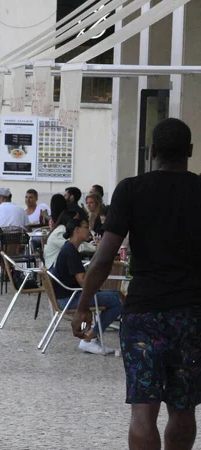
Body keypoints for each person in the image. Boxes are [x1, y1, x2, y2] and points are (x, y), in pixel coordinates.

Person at [73, 118, 201, 450]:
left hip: (143, 312)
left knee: (143, 412)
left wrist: (83, 305)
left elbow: (103, 257)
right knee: (183, 408)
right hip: (191, 314)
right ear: (189, 151)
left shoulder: (131, 189)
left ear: (153, 151)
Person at [50, 218, 122, 355]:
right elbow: (83, 281)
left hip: (67, 295)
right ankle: (90, 338)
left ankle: (92, 336)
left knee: (115, 295)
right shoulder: (70, 252)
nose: (89, 229)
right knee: (118, 300)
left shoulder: (68, 248)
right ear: (76, 230)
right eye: (85, 226)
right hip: (69, 299)